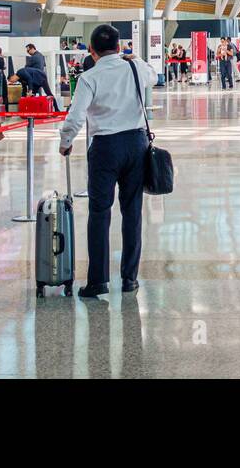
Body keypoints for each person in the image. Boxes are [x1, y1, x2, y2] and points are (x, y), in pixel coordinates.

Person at [58, 23, 157, 298]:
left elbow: (76, 117)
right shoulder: (135, 67)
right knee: (132, 211)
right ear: (120, 47)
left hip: (105, 147)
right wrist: (134, 57)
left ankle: (98, 281)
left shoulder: (90, 77)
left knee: (100, 213)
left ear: (91, 50)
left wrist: (65, 143)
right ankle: (129, 278)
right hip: (136, 144)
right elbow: (154, 74)